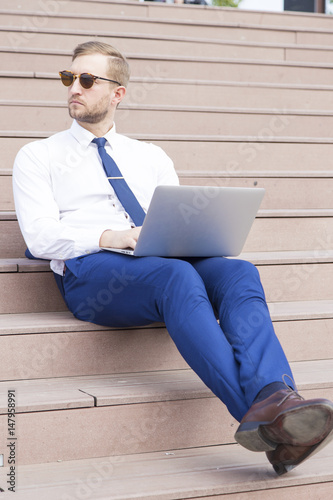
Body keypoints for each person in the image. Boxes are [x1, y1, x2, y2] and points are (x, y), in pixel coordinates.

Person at [13, 41, 333, 475]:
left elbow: (174, 224)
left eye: (87, 80)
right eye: (69, 78)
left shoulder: (150, 156)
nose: (74, 88)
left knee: (239, 271)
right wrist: (114, 236)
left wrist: (194, 234)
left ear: (118, 93)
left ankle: (277, 394)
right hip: (90, 272)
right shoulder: (38, 155)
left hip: (159, 258)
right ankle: (272, 419)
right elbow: (39, 235)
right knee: (176, 276)